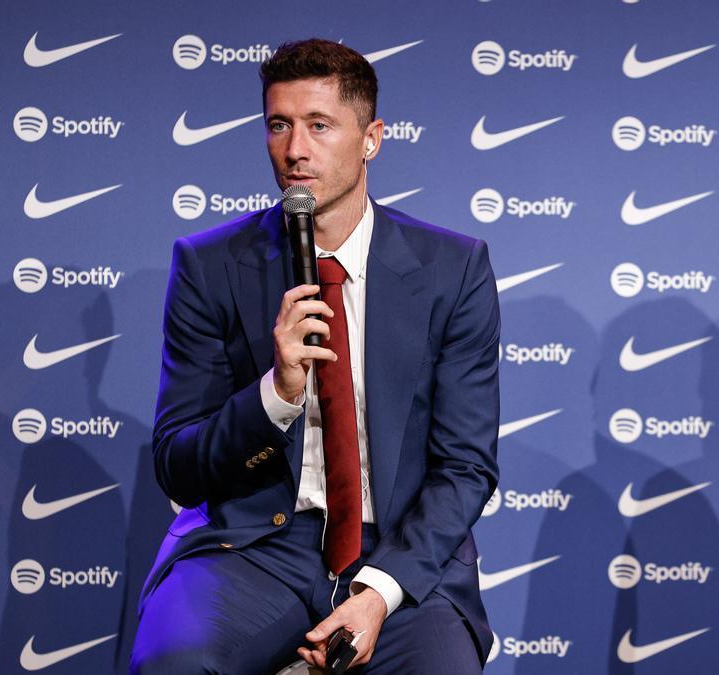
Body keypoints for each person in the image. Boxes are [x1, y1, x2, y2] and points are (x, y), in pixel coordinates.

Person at [131, 39, 499, 674]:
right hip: (252, 548)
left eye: (319, 126)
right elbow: (177, 465)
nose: (294, 150)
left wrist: (380, 594)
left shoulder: (452, 270)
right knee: (176, 662)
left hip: (398, 551)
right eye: (279, 125)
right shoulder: (210, 265)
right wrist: (275, 393)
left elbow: (464, 466)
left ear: (371, 137)